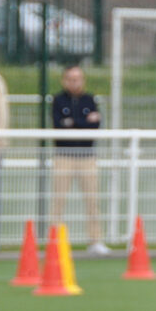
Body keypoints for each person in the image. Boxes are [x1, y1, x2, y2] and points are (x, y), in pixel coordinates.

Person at [51, 64, 109, 255]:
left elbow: (95, 126)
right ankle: (55, 240)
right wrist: (83, 122)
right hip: (63, 156)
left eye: (78, 78)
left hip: (87, 156)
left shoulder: (89, 99)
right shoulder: (58, 100)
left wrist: (74, 124)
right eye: (71, 78)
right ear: (64, 80)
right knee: (58, 199)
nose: (74, 82)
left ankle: (95, 241)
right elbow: (59, 127)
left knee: (92, 199)